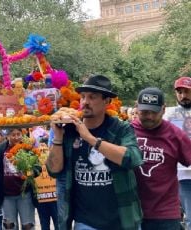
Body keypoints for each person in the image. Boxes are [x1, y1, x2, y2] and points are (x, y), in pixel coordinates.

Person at [46, 74, 143, 230]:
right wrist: (57, 137)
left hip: (121, 219)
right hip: (85, 222)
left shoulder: (120, 128)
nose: (85, 102)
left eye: (92, 97)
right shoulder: (70, 131)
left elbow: (132, 158)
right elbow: (54, 170)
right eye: (83, 97)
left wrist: (90, 139)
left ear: (107, 101)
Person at [132, 87, 191, 230]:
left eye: (154, 112)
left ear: (163, 110)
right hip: (130, 210)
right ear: (136, 108)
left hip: (164, 214)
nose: (150, 117)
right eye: (145, 112)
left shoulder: (176, 135)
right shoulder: (126, 131)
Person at [0, 128, 40, 230]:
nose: (16, 137)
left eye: (18, 134)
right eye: (13, 135)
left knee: (28, 225)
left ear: (22, 134)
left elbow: (38, 167)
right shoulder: (1, 149)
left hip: (25, 194)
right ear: (7, 136)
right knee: (9, 226)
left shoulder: (27, 147)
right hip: (7, 196)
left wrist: (30, 173)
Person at [164, 76, 191, 230]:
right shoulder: (169, 114)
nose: (183, 95)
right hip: (174, 174)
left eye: (186, 91)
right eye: (179, 92)